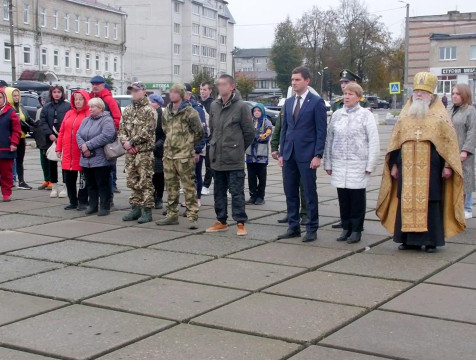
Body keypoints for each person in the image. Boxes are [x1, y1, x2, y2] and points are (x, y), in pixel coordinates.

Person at [377, 72, 465, 253]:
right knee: (405, 200)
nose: (418, 94)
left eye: (423, 92)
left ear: (431, 95)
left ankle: (431, 241)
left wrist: (448, 166)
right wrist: (394, 164)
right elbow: (396, 143)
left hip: (432, 169)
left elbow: (449, 144)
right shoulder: (405, 116)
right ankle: (407, 240)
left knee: (431, 201)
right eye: (416, 91)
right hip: (405, 167)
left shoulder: (440, 117)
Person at [324, 83, 380, 244]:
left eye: (351, 94)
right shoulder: (337, 115)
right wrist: (328, 163)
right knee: (343, 198)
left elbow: (373, 141)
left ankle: (356, 229)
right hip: (340, 163)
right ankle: (346, 228)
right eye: (345, 94)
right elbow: (329, 139)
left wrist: (370, 165)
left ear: (359, 97)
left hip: (358, 164)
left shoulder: (366, 115)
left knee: (356, 199)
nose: (347, 97)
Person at [277, 66, 327, 243]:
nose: (294, 83)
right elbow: (285, 128)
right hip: (289, 154)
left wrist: (318, 155)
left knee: (308, 192)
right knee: (290, 192)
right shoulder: (289, 102)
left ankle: (312, 228)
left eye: (297, 80)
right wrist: (282, 152)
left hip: (307, 155)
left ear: (307, 81)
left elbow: (321, 131)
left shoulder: (316, 102)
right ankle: (293, 227)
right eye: (292, 80)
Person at [205, 75, 255, 236]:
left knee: (236, 192)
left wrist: (238, 148)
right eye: (218, 84)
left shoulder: (241, 106)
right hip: (217, 158)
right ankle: (221, 221)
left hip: (233, 159)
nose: (220, 87)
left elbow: (249, 133)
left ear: (232, 86)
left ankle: (240, 222)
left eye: (224, 84)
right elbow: (212, 130)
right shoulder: (214, 105)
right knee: (219, 192)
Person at [156, 83, 204, 229]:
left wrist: (188, 144)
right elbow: (165, 129)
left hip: (184, 156)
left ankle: (192, 216)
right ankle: (172, 215)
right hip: (169, 155)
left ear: (182, 95)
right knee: (171, 187)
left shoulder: (190, 112)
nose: (172, 94)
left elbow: (199, 133)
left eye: (175, 92)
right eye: (171, 92)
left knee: (189, 186)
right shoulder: (166, 112)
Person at [331, 69, 370, 229]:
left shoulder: (365, 107)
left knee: (356, 195)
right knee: (343, 194)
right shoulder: (337, 106)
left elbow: (370, 138)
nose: (343, 86)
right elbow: (332, 135)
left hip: (357, 158)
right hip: (341, 158)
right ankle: (346, 222)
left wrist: (369, 163)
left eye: (347, 83)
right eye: (342, 83)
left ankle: (356, 226)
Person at [119, 81, 157, 224]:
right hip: (130, 152)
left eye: (136, 90)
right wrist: (125, 143)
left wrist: (132, 142)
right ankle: (135, 208)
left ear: (143, 91)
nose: (133, 93)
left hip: (144, 153)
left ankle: (146, 210)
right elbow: (121, 129)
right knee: (132, 180)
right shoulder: (128, 110)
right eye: (132, 91)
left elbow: (148, 131)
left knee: (145, 181)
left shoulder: (149, 110)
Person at [76, 98, 115, 216]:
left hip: (101, 158)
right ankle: (93, 205)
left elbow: (107, 135)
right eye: (90, 106)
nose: (90, 109)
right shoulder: (86, 120)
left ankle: (104, 206)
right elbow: (78, 134)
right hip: (86, 158)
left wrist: (88, 145)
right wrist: (83, 147)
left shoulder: (107, 120)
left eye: (93, 107)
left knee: (102, 184)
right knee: (90, 183)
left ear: (100, 108)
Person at [271, 107, 308, 224]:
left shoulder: (309, 105)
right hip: (287, 152)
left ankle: (306, 213)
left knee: (304, 186)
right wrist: (274, 147)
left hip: (303, 152)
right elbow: (278, 128)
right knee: (289, 185)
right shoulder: (287, 106)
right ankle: (292, 212)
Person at [56, 90, 90, 211]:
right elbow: (62, 132)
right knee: (69, 179)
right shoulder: (69, 113)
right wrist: (58, 148)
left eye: (80, 99)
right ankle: (72, 201)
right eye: (76, 99)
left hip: (81, 152)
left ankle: (83, 201)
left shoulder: (88, 114)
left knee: (83, 180)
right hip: (68, 153)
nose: (78, 101)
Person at [89, 75, 122, 195]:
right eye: (93, 84)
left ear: (103, 85)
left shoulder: (109, 100)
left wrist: (109, 133)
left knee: (109, 165)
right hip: (93, 138)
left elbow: (117, 118)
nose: (95, 86)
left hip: (107, 138)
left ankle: (111, 188)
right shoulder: (90, 97)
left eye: (97, 84)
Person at [449, 84, 476, 219]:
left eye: (457, 94)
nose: (454, 96)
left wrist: (465, 151)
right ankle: (453, 209)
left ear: (464, 95)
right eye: (453, 93)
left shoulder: (470, 110)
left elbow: (472, 131)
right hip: (450, 153)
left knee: (464, 182)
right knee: (451, 182)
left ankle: (465, 209)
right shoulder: (450, 110)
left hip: (463, 153)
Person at [40, 85, 70, 198]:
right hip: (51, 139)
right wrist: (49, 134)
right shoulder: (47, 107)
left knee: (65, 164)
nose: (57, 94)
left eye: (59, 92)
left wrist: (62, 135)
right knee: (52, 163)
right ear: (51, 94)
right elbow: (42, 122)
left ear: (62, 93)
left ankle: (65, 187)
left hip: (64, 138)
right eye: (54, 92)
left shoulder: (68, 106)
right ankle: (54, 186)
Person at [5, 87, 34, 190]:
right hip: (11, 138)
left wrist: (35, 125)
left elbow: (28, 119)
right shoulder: (7, 108)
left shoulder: (20, 107)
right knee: (8, 161)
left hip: (21, 137)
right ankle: (9, 181)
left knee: (20, 160)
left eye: (18, 95)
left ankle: (21, 181)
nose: (16, 98)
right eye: (14, 96)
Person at [185, 83, 208, 207]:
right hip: (183, 149)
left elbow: (203, 132)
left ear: (188, 94)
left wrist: (198, 150)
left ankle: (197, 198)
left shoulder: (197, 109)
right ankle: (189, 198)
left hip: (195, 148)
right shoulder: (178, 108)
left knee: (196, 174)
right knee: (186, 176)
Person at [246, 103, 272, 205]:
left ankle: (261, 196)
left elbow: (267, 135)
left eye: (258, 111)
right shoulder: (250, 122)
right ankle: (253, 195)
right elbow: (246, 133)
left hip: (261, 156)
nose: (256, 113)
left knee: (261, 177)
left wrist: (257, 137)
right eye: (255, 111)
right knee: (251, 177)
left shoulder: (267, 122)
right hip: (250, 155)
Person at [0, 89, 21, 202]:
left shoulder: (10, 112)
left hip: (6, 147)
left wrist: (13, 143)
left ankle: (6, 193)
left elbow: (16, 130)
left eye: (0, 97)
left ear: (4, 98)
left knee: (6, 173)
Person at [149, 93, 165, 210]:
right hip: (149, 150)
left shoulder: (162, 116)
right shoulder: (149, 114)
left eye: (152, 102)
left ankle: (159, 198)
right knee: (150, 176)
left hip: (159, 151)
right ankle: (151, 197)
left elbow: (164, 134)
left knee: (159, 176)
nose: (150, 103)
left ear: (157, 104)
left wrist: (156, 146)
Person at [199, 81, 214, 195]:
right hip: (198, 137)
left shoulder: (213, 104)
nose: (202, 91)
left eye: (205, 89)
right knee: (197, 163)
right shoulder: (197, 103)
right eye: (201, 89)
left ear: (210, 91)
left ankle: (206, 185)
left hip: (209, 138)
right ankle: (196, 184)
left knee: (209, 163)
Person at [35, 91, 52, 190]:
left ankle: (51, 180)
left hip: (49, 139)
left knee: (49, 160)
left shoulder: (51, 110)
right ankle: (46, 179)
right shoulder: (39, 110)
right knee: (43, 161)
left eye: (44, 100)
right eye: (41, 100)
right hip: (41, 139)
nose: (42, 101)